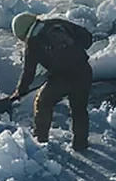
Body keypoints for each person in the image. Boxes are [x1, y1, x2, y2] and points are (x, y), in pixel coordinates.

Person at [8, 12, 93, 151]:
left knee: (42, 102)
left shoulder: (32, 42)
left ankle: (41, 141)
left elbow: (29, 73)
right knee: (79, 109)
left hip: (61, 78)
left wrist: (19, 91)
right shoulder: (57, 23)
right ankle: (80, 144)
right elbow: (87, 38)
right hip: (83, 71)